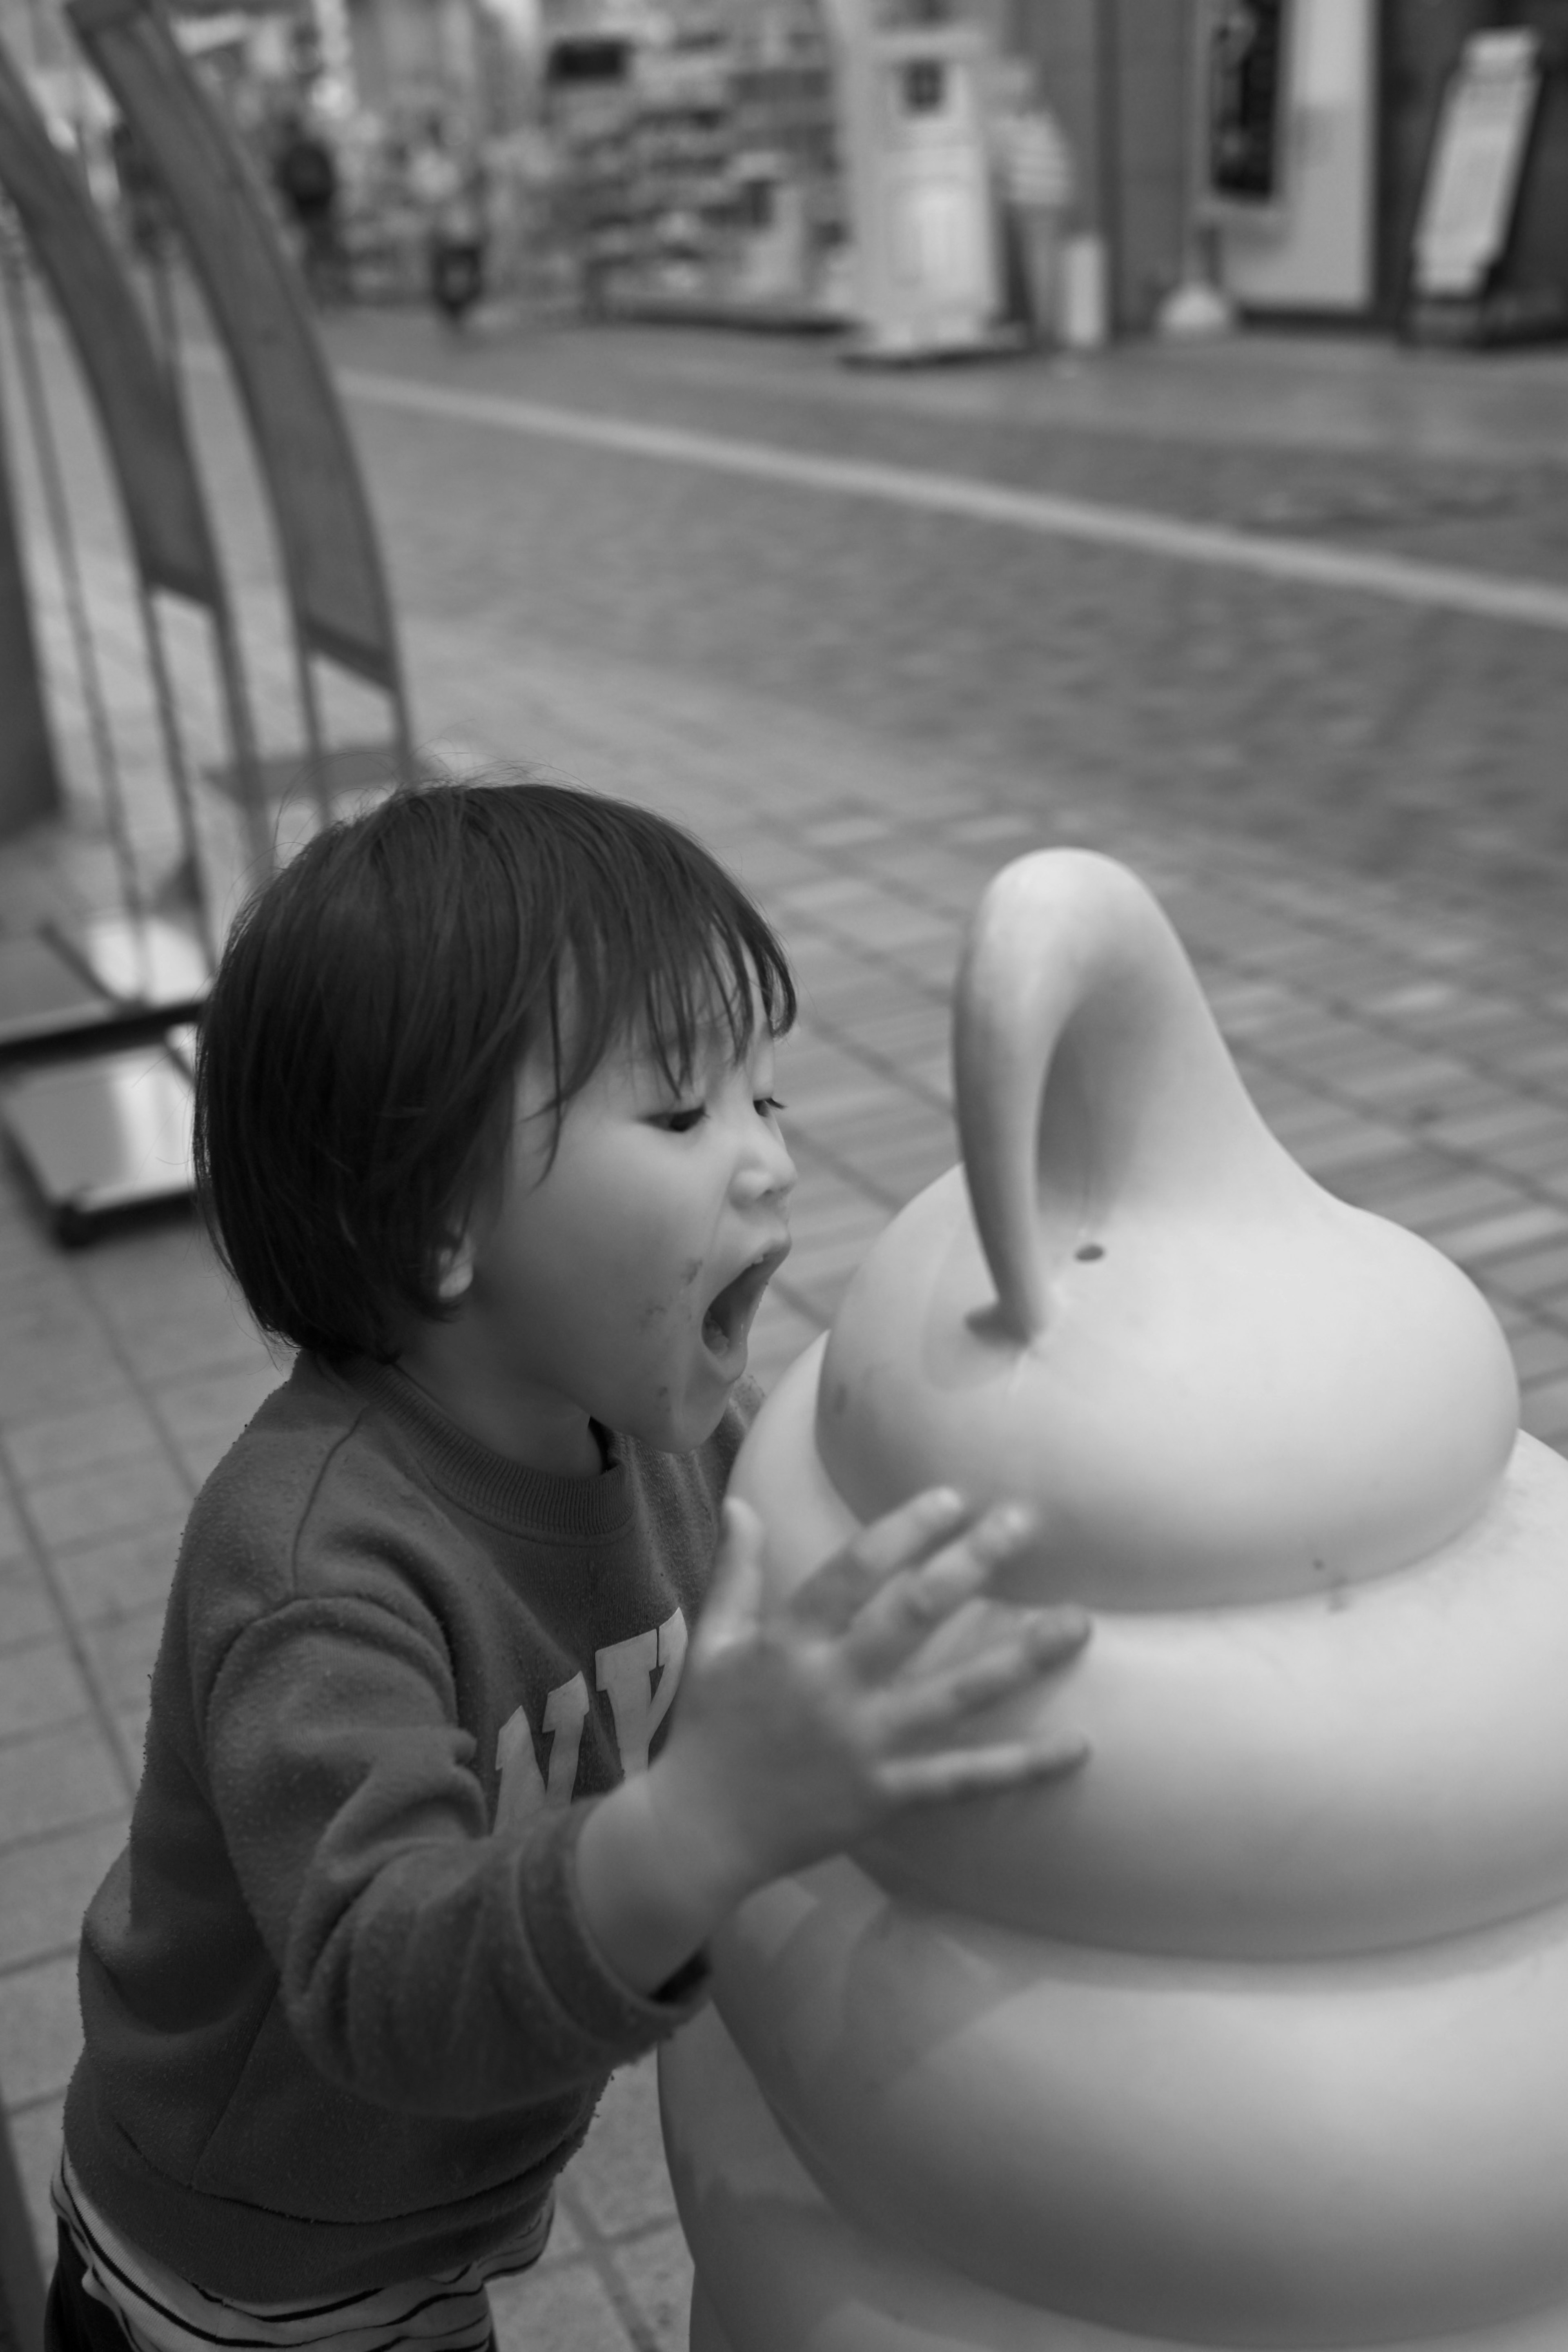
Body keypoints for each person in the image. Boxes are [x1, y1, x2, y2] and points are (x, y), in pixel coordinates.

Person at [44, 777, 1091, 2352]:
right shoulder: (319, 1564)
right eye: (680, 1112)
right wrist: (704, 1815)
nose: (766, 1162)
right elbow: (380, 1977)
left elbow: (836, 1573)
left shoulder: (670, 1432)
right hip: (236, 2278)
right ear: (429, 1224)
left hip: (430, 2234)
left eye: (767, 1096)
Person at [272, 112, 343, 305]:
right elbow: (332, 177)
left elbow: (281, 184)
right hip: (321, 210)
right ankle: (328, 295)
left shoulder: (288, 154)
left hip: (304, 212)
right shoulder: (315, 149)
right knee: (324, 253)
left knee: (311, 254)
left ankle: (317, 295)